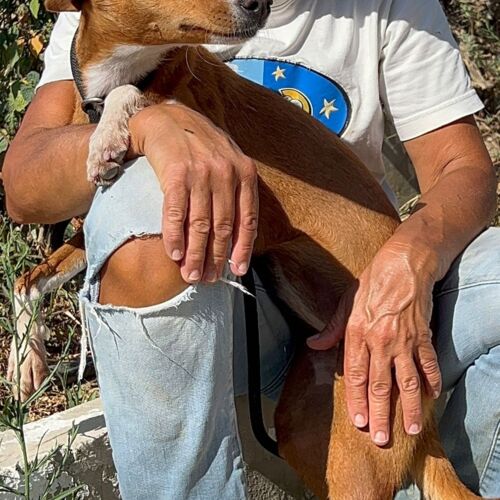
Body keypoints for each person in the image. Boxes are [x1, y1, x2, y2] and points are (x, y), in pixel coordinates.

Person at [3, 0, 499, 498]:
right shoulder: (111, 20)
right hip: (228, 307)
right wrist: (146, 125)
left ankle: (416, 464)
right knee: (150, 205)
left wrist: (406, 263)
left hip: (367, 290)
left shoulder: (392, 6)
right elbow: (22, 189)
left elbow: (464, 169)